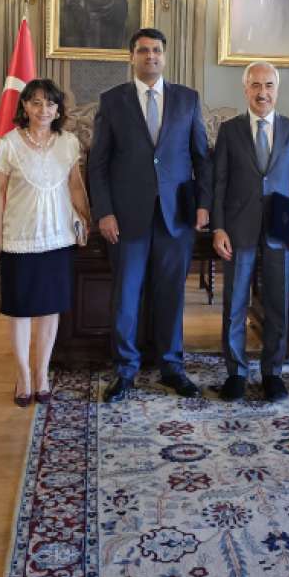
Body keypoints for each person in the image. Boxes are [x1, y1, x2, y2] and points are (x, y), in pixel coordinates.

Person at [88, 27, 211, 402]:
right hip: (126, 218)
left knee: (172, 293)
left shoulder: (188, 99)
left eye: (156, 50)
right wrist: (104, 212)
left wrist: (203, 204)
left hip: (176, 217)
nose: (150, 56)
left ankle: (172, 366)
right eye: (143, 50)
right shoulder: (113, 101)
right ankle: (125, 369)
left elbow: (201, 157)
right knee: (126, 295)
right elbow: (98, 163)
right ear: (132, 57)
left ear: (164, 55)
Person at [210, 62, 289, 402]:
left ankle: (273, 373)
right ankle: (236, 373)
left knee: (277, 303)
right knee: (235, 303)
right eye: (255, 85)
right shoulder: (230, 130)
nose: (262, 92)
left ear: (277, 90)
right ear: (245, 89)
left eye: (268, 85)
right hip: (238, 226)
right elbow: (219, 182)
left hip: (281, 227)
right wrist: (218, 227)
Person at [0, 79, 92, 407]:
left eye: (49, 103)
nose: (43, 109)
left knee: (49, 310)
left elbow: (76, 185)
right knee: (19, 311)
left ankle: (42, 374)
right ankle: (23, 376)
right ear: (24, 106)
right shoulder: (8, 144)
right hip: (18, 238)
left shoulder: (69, 143)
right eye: (35, 102)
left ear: (58, 109)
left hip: (58, 238)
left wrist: (85, 218)